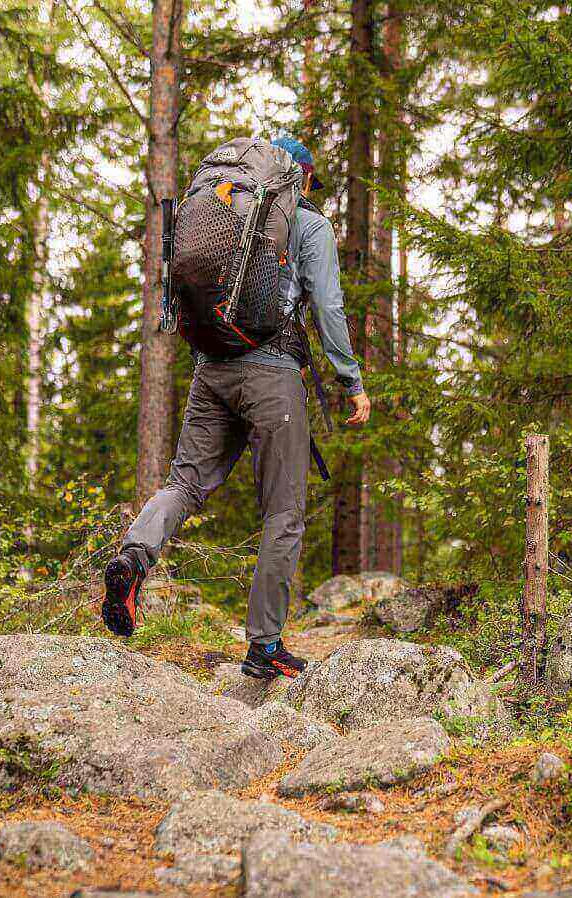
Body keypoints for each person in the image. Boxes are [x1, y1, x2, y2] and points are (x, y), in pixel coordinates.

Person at [102, 136, 370, 679]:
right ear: (301, 177)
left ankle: (134, 556)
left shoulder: (220, 203)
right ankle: (264, 647)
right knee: (283, 512)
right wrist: (351, 381)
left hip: (211, 367)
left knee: (184, 483)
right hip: (272, 376)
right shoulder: (308, 222)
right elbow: (327, 304)